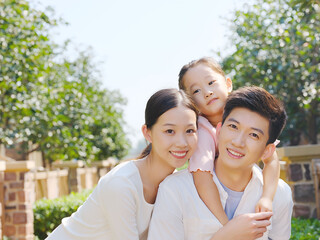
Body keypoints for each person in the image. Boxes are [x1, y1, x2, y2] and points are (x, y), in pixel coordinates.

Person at [46, 88, 199, 240]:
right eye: (170, 131)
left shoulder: (174, 182)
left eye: (190, 131)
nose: (181, 142)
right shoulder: (122, 184)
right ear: (147, 133)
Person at [148, 86, 293, 240]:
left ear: (267, 150)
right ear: (218, 131)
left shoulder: (279, 194)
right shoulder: (174, 190)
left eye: (254, 135)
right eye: (233, 127)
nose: (238, 142)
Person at [177, 57, 280, 225]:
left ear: (228, 84)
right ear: (190, 102)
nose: (207, 92)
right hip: (216, 205)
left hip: (246, 191)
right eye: (196, 91)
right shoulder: (202, 131)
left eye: (211, 82)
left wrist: (267, 198)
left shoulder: (247, 113)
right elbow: (202, 178)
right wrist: (226, 225)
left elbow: (272, 159)